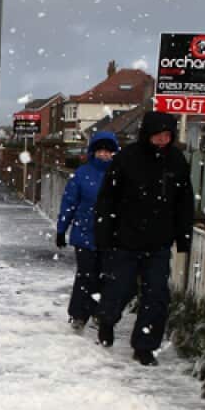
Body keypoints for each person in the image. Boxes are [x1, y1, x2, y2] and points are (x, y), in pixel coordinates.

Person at [93, 111, 195, 366]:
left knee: (156, 296)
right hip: (125, 239)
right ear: (147, 135)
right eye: (158, 136)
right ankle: (107, 320)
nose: (162, 141)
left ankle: (145, 346)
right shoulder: (127, 159)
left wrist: (183, 237)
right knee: (120, 289)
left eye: (167, 136)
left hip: (159, 242)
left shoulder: (176, 162)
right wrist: (104, 233)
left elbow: (184, 203)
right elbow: (107, 199)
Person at [55, 131, 118, 331]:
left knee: (105, 277)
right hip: (84, 234)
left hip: (110, 235)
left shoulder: (119, 174)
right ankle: (79, 314)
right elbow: (69, 203)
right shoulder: (83, 174)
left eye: (108, 151)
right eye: (100, 151)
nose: (104, 155)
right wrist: (61, 229)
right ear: (93, 152)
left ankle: (100, 312)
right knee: (85, 276)